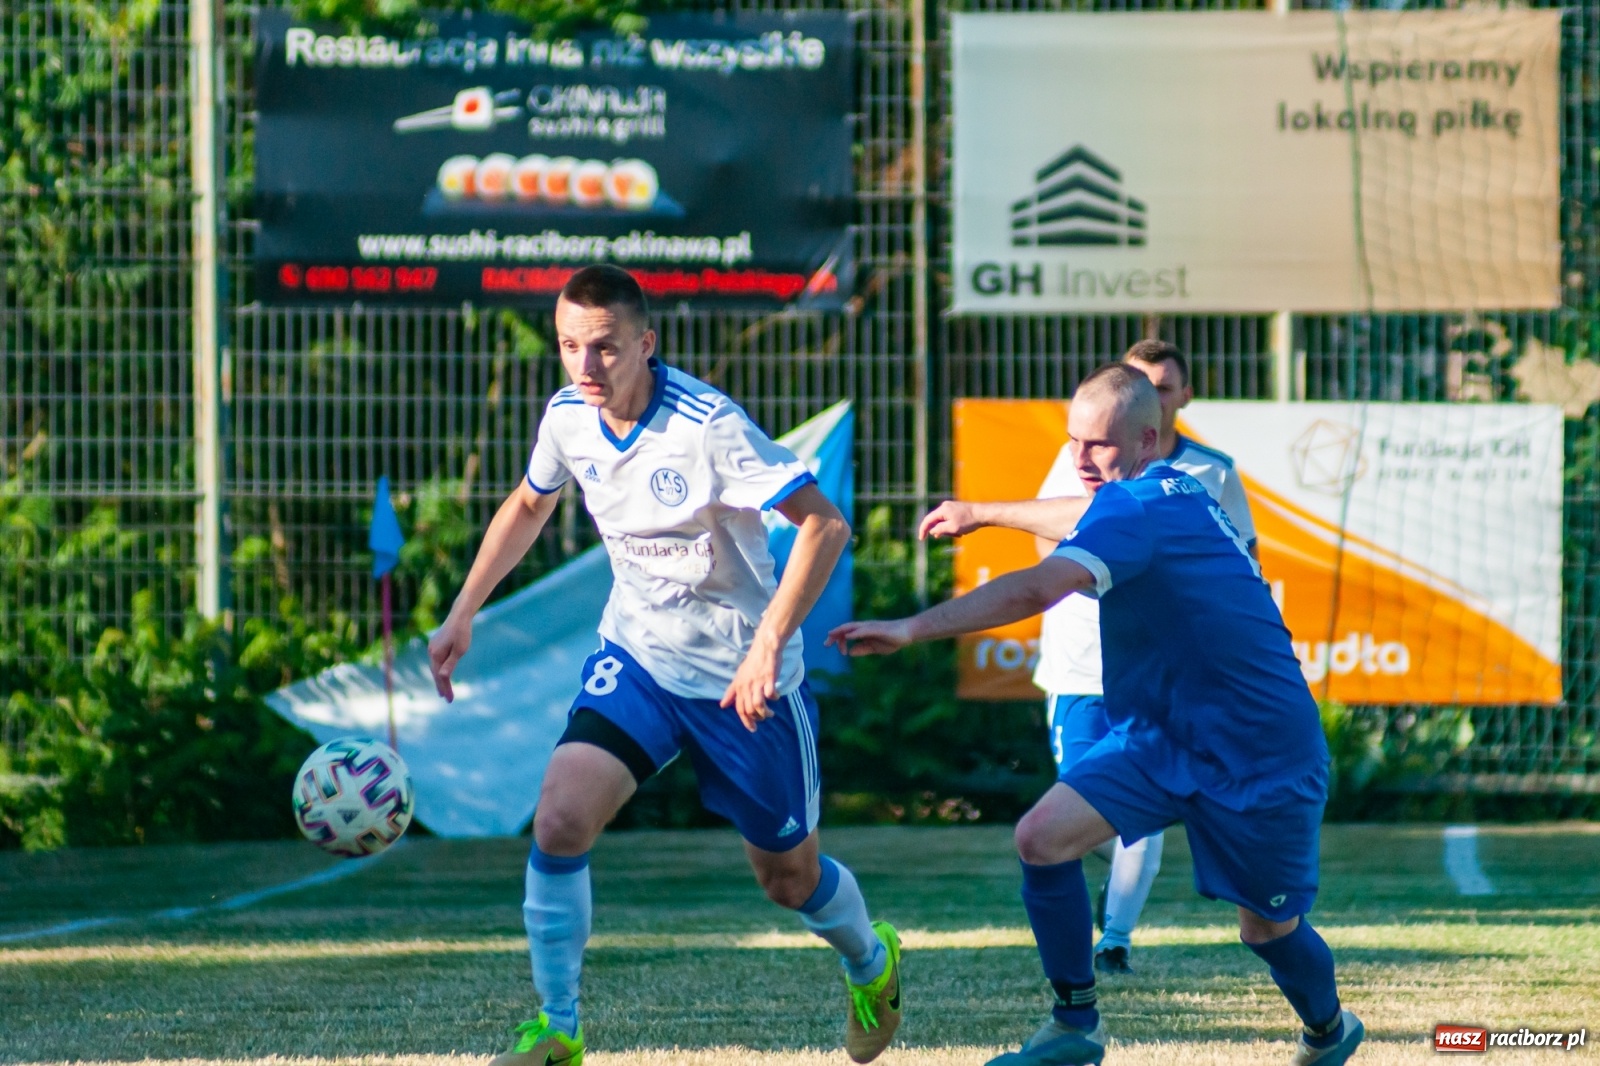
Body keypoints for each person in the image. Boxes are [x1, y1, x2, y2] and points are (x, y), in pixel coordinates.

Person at [428, 265, 903, 1066]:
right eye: (569, 346)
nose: (585, 366)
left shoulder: (706, 425)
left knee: (788, 880)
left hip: (744, 679)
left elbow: (824, 526)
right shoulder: (568, 418)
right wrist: (463, 610)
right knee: (559, 819)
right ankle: (558, 1026)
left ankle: (871, 960)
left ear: (646, 343)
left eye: (604, 347)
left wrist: (767, 643)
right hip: (640, 659)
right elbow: (531, 502)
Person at [830, 365, 1362, 1066]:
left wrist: (910, 627)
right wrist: (982, 511)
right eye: (1073, 441)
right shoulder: (1174, 490)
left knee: (1267, 930)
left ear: (1147, 439)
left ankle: (1330, 1029)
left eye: (1099, 445)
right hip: (1160, 736)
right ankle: (1074, 1026)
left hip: (1259, 748)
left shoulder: (1140, 506)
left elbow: (1038, 587)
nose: (1081, 458)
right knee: (1041, 838)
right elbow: (1080, 515)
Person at [920, 340, 1257, 975]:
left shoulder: (1206, 474)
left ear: (1179, 400)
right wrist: (1091, 563)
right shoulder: (1082, 460)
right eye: (1138, 381)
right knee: (1084, 817)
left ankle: (1113, 945)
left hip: (1161, 682)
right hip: (1081, 668)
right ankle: (1082, 983)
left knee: (1142, 832)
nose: (1150, 394)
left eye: (1162, 386)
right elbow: (1051, 546)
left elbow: (1239, 564)